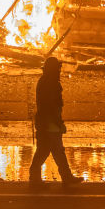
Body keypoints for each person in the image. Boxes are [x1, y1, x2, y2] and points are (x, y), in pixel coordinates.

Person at [29, 56, 82, 187]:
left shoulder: (45, 81)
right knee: (52, 151)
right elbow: (51, 105)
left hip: (46, 122)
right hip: (49, 124)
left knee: (49, 151)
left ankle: (38, 177)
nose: (59, 71)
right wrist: (57, 121)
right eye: (57, 69)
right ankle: (63, 176)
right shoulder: (51, 83)